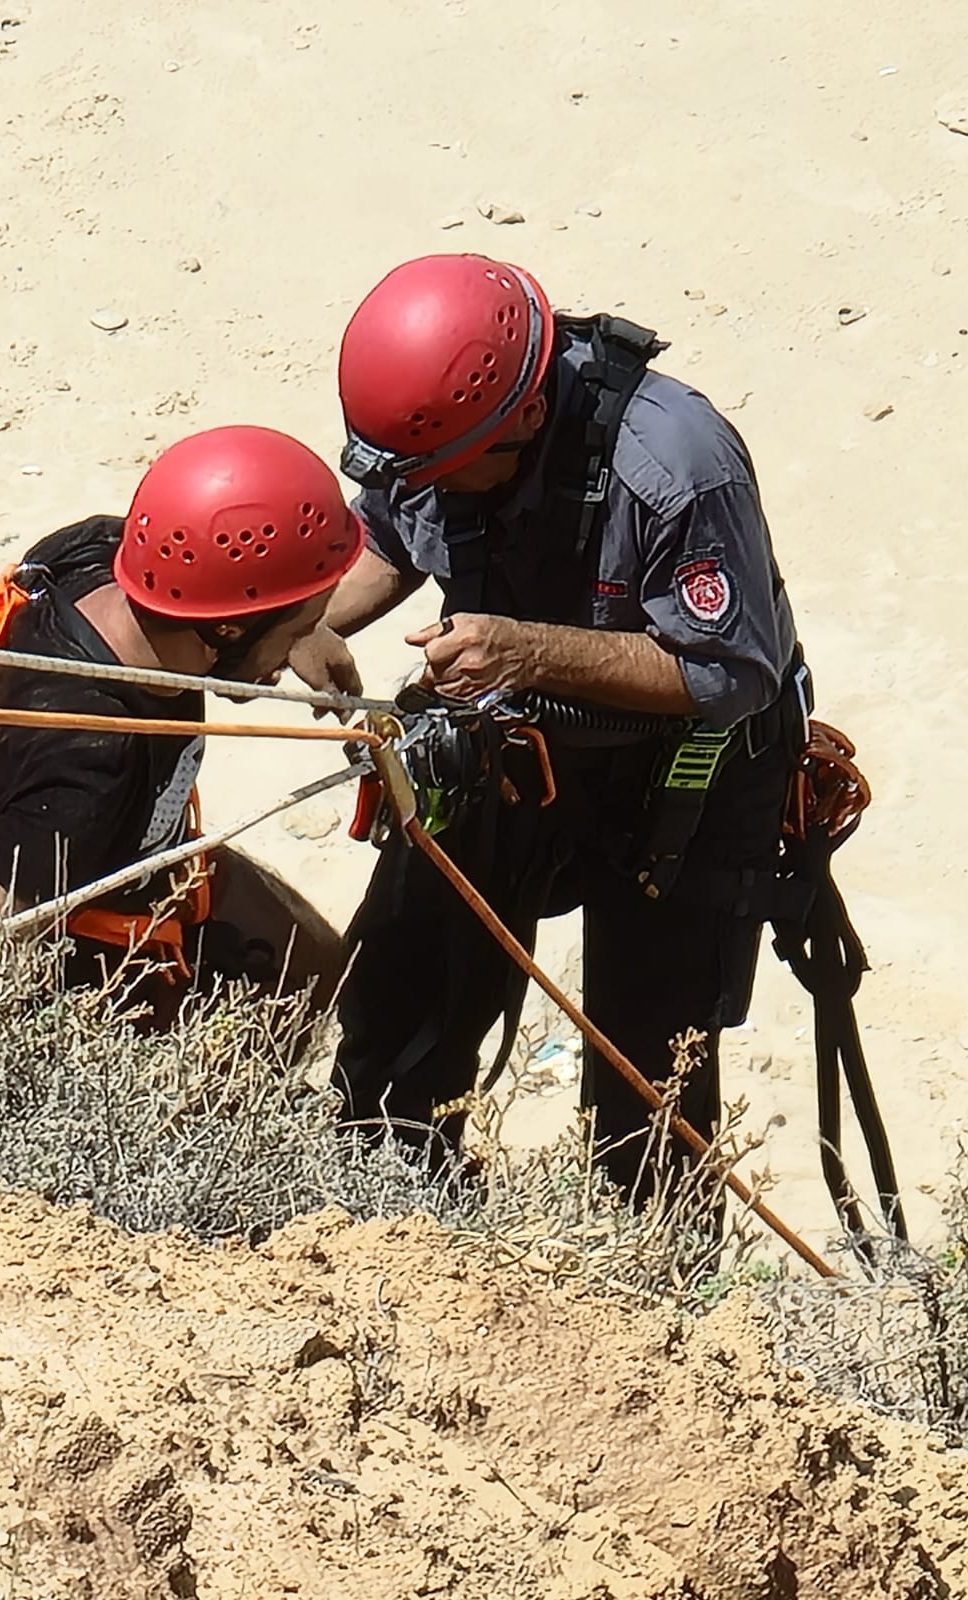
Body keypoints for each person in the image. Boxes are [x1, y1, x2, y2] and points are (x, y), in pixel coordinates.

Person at [294, 252, 811, 1195]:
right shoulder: (443, 426)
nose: (436, 490)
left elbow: (732, 672)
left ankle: (656, 1303)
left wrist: (531, 652)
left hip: (683, 781)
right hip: (511, 741)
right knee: (399, 1011)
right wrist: (311, 617)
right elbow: (391, 530)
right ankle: (390, 1217)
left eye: (455, 474)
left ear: (527, 417)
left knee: (649, 1084)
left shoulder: (677, 469)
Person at [0, 424, 362, 1010]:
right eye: (295, 628)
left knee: (324, 967)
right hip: (93, 951)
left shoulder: (102, 553)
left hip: (153, 864)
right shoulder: (85, 763)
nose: (288, 657)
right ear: (227, 627)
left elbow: (214, 575)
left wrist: (299, 631)